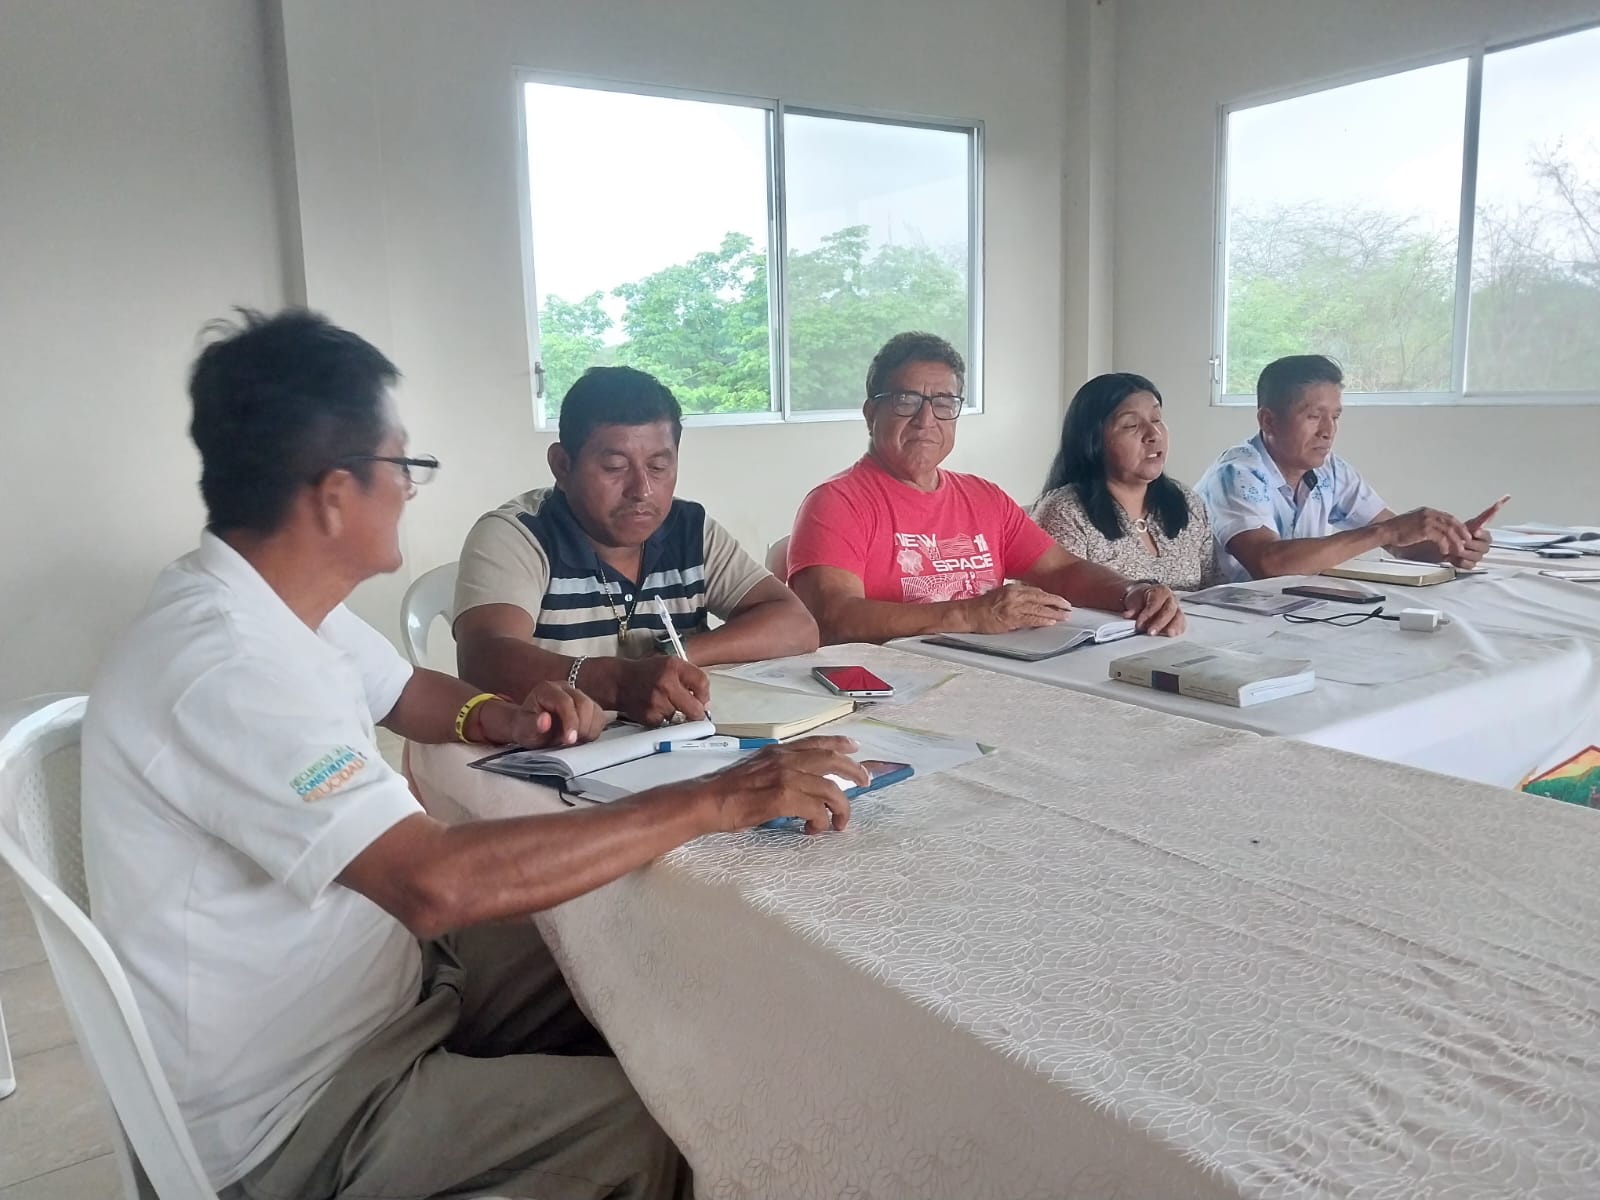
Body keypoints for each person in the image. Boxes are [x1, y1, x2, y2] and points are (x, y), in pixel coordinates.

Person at [80, 310, 868, 1200]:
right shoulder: (228, 663)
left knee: (643, 958)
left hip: (379, 989)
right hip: (306, 1111)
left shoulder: (279, 610)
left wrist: (500, 716)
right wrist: (715, 800)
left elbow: (408, 694)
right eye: (402, 466)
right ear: (335, 494)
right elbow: (433, 884)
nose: (410, 491)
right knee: (678, 1126)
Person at [454, 366, 818, 727]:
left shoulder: (688, 530)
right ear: (562, 466)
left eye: (658, 467)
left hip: (682, 747)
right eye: (615, 467)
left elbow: (797, 625)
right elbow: (484, 658)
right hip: (559, 750)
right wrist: (620, 682)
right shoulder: (519, 535)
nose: (642, 490)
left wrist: (672, 655)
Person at [786, 332, 1185, 643]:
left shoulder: (982, 498)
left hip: (991, 672)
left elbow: (1061, 570)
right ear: (871, 412)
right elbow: (831, 617)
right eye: (907, 401)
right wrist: (968, 614)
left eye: (944, 403)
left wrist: (1132, 591)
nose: (926, 420)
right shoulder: (836, 503)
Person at [1195, 354, 1504, 582]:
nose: (1328, 431)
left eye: (1336, 417)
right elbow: (1269, 564)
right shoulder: (1237, 474)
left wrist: (1452, 545)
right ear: (1268, 421)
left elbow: (1400, 544)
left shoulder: (1330, 470)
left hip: (1290, 611)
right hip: (1224, 622)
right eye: (1314, 416)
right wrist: (1387, 532)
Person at [1034, 372, 1222, 592]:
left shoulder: (1187, 502)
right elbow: (1052, 602)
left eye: (1156, 419)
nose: (1153, 434)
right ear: (1093, 440)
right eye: (1131, 425)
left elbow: (1213, 591)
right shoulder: (1064, 514)